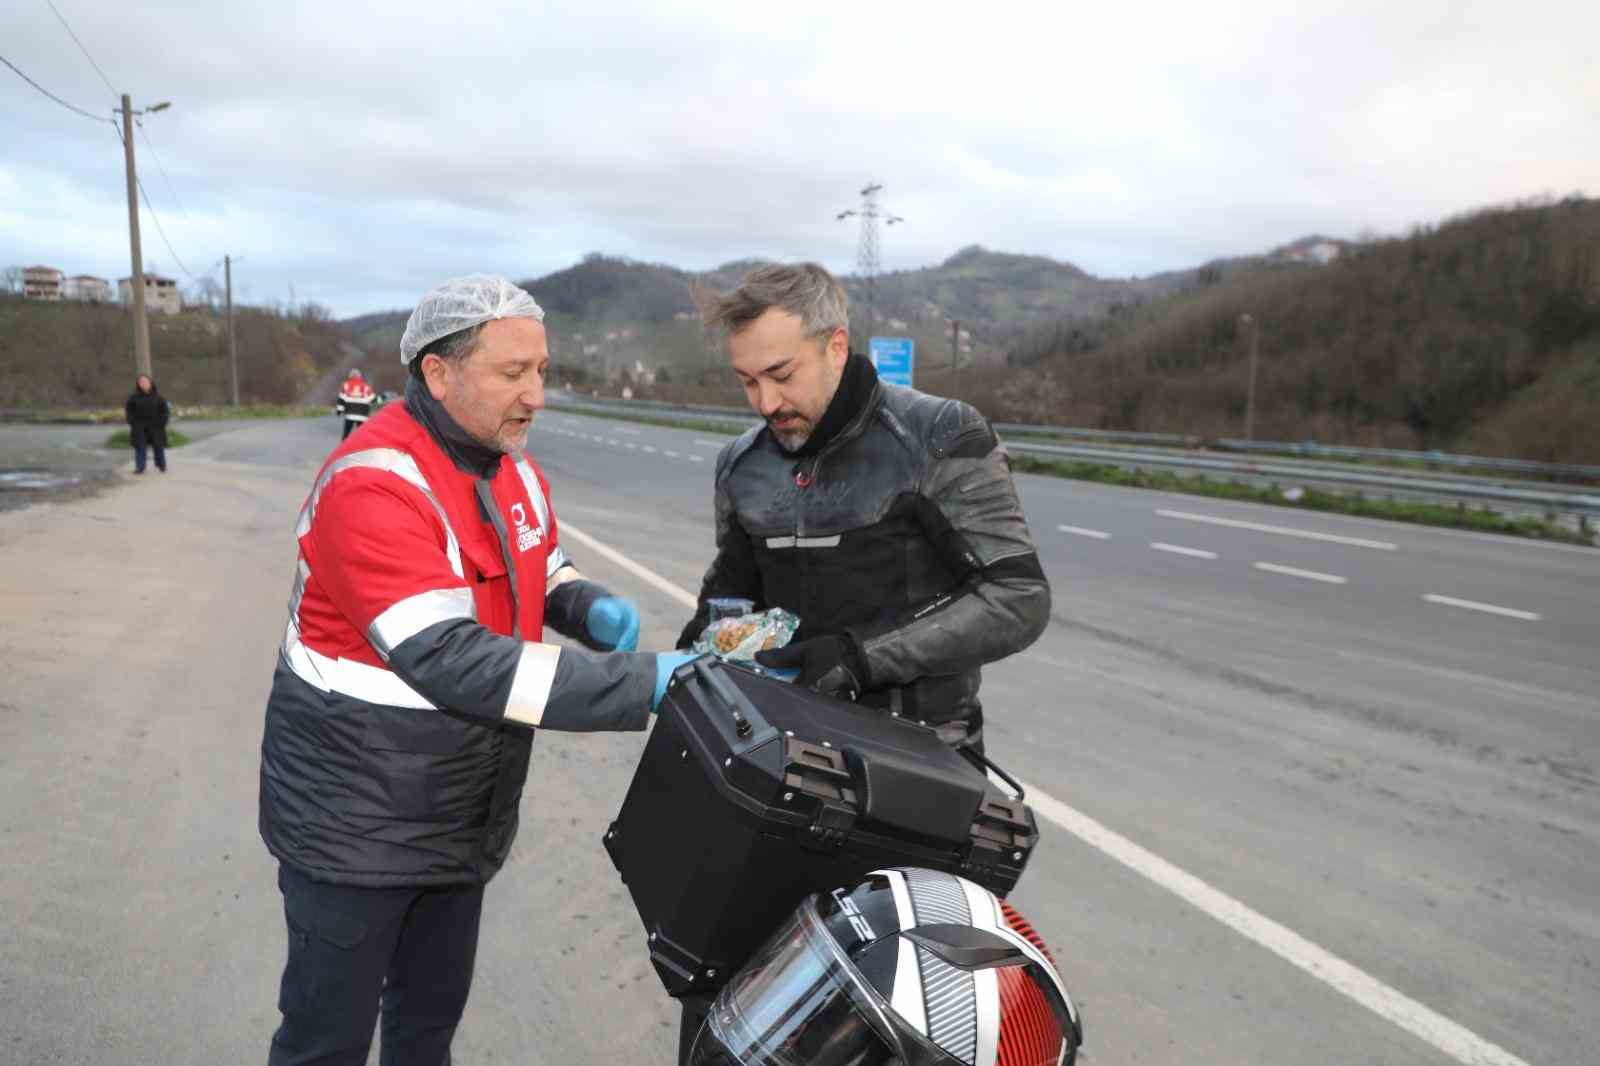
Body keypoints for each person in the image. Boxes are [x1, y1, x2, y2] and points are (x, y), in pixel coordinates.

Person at [258, 274, 694, 1066]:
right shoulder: (375, 482)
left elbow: (538, 563)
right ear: (438, 372)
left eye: (541, 370)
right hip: (356, 824)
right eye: (511, 373)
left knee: (426, 1031)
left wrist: (583, 603)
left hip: (456, 814)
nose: (535, 395)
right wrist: (647, 681)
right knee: (326, 1043)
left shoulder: (511, 465)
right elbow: (452, 662)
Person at [674, 262, 1051, 1057]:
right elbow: (730, 598)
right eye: (746, 382)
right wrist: (698, 648)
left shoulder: (937, 436)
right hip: (780, 779)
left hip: (916, 784)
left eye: (781, 374)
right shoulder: (743, 464)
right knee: (730, 1016)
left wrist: (856, 657)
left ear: (835, 344)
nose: (766, 404)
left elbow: (1018, 597)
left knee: (892, 1030)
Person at [123, 373, 169, 473]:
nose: (143, 384)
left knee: (158, 447)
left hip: (156, 426)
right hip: (139, 426)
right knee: (140, 447)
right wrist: (132, 422)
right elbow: (128, 411)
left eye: (145, 382)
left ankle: (161, 465)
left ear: (150, 383)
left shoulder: (159, 398)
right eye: (141, 382)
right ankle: (140, 467)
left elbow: (165, 412)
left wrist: (162, 422)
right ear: (138, 384)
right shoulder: (133, 398)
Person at [335, 368, 377, 439]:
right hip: (362, 415)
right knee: (362, 433)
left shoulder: (346, 385)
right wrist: (382, 398)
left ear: (350, 376)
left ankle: (344, 447)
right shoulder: (366, 387)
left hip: (350, 414)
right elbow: (373, 399)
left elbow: (341, 400)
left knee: (346, 432)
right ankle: (362, 447)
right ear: (360, 376)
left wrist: (339, 411)